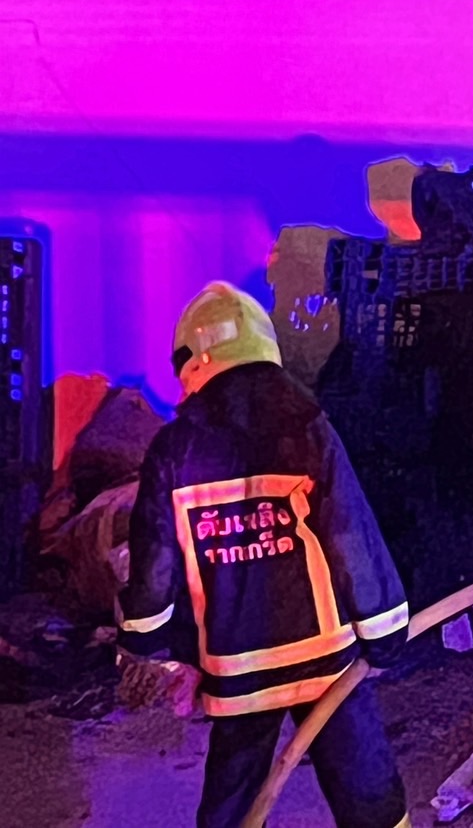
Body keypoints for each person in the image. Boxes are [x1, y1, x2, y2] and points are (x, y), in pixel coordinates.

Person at [116, 282, 411, 828]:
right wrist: (385, 630)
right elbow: (351, 533)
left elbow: (155, 563)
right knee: (367, 786)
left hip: (237, 668)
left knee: (234, 800)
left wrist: (145, 638)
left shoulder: (173, 449)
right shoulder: (307, 427)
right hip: (324, 659)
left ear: (197, 359)